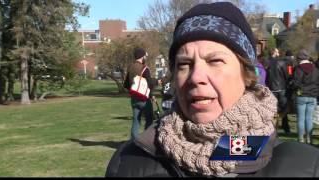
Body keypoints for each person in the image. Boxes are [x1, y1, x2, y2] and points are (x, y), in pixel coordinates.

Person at [106, 2, 319, 177]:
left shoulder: (307, 167)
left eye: (215, 60)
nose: (196, 77)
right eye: (184, 64)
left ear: (246, 75)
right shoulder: (128, 162)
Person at [123, 48, 156, 140]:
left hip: (134, 99)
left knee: (136, 121)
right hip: (144, 99)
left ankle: (134, 141)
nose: (145, 57)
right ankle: (146, 140)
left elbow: (126, 84)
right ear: (142, 56)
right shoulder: (144, 68)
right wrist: (153, 92)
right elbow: (150, 84)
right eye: (145, 56)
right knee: (149, 119)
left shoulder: (130, 67)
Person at [291, 49, 319, 144]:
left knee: (301, 118)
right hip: (312, 95)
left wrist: (296, 88)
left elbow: (296, 82)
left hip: (301, 95)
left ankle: (301, 138)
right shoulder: (315, 69)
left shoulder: (298, 68)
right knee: (309, 118)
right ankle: (309, 138)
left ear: (299, 58)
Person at [265, 48, 291, 133]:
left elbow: (266, 76)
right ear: (275, 53)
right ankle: (286, 126)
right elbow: (286, 75)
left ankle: (274, 127)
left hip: (272, 88)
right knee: (284, 109)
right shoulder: (282, 62)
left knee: (273, 109)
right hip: (281, 88)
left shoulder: (267, 63)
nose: (279, 53)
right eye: (277, 52)